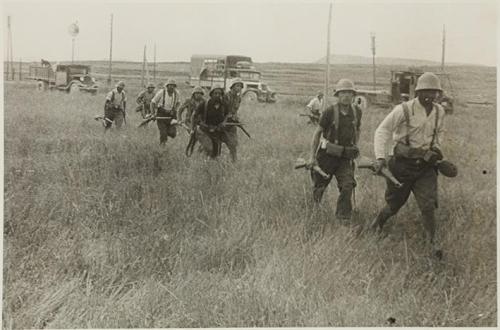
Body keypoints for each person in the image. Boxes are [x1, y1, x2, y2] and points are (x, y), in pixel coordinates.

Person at [370, 72, 446, 258]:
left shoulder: (439, 112)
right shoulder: (403, 109)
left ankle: (432, 243)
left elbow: (439, 135)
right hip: (402, 165)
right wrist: (380, 157)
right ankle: (376, 225)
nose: (430, 96)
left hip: (425, 167)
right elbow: (382, 131)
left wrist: (437, 152)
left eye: (434, 92)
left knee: (428, 205)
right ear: (417, 92)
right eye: (426, 91)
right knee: (394, 204)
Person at [308, 79, 362, 221]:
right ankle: (314, 214)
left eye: (349, 93)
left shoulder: (357, 112)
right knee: (319, 187)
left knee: (347, 186)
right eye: (343, 93)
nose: (346, 96)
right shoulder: (329, 112)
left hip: (345, 158)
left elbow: (357, 130)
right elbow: (317, 133)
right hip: (326, 156)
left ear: (353, 95)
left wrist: (355, 147)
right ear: (337, 95)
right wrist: (312, 157)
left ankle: (343, 218)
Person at [191, 85, 232, 160]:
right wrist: (192, 129)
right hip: (204, 130)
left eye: (219, 94)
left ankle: (208, 163)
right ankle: (201, 160)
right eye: (215, 93)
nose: (217, 95)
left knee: (216, 153)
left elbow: (227, 114)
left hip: (216, 130)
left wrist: (224, 122)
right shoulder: (205, 104)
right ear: (211, 94)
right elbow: (194, 115)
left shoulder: (224, 105)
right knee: (210, 148)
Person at [151, 79, 181, 145]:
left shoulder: (177, 93)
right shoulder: (161, 92)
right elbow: (153, 102)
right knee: (163, 133)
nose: (172, 87)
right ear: (167, 86)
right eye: (170, 86)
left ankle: (165, 132)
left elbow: (178, 103)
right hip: (161, 115)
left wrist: (175, 109)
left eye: (173, 86)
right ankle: (162, 145)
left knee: (173, 134)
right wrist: (153, 114)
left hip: (171, 115)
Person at [222, 78, 244, 162]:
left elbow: (235, 110)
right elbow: (223, 110)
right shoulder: (226, 96)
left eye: (240, 86)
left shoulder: (238, 98)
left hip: (231, 123)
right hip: (223, 121)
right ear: (233, 87)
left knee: (233, 143)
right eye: (237, 86)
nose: (239, 88)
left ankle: (234, 161)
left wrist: (236, 117)